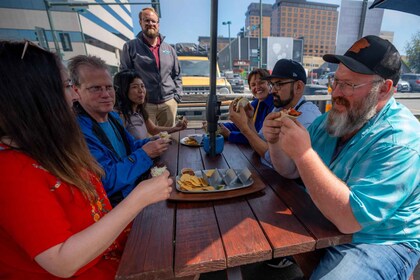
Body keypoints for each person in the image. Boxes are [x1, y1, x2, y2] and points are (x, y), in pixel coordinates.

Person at [0, 40, 172, 279]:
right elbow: (62, 261)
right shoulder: (10, 172)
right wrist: (139, 198)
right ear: (34, 96)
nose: (72, 95)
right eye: (66, 85)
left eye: (109, 87)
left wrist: (151, 146)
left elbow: (127, 151)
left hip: (116, 250)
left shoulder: (57, 143)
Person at [263, 35, 419, 279]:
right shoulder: (334, 118)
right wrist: (275, 143)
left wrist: (304, 154)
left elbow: (350, 220)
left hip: (380, 241)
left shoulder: (400, 140)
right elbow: (289, 170)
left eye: (349, 85)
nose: (335, 92)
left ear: (384, 89)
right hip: (326, 220)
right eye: (335, 81)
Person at [68, 55, 170, 206]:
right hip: (120, 205)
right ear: (76, 91)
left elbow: (130, 147)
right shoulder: (79, 132)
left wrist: (151, 142)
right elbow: (106, 182)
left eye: (109, 87)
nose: (106, 94)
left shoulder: (113, 117)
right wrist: (145, 153)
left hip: (138, 188)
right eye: (96, 88)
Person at [227, 60, 321, 168]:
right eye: (272, 84)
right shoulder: (279, 109)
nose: (272, 91)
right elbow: (260, 142)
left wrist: (244, 129)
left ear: (298, 87)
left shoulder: (307, 116)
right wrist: (249, 120)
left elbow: (280, 164)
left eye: (279, 84)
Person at [120, 7, 182, 127]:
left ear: (158, 24)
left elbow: (177, 75)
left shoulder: (169, 49)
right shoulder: (130, 47)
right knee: (149, 140)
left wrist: (176, 97)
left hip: (168, 103)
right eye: (146, 20)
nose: (150, 24)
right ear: (140, 22)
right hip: (145, 104)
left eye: (153, 21)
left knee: (169, 139)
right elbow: (125, 76)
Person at [113, 69, 188, 140]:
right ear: (123, 90)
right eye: (134, 87)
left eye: (142, 86)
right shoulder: (119, 115)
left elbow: (153, 129)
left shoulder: (139, 110)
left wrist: (175, 128)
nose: (141, 90)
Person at [219, 68, 274, 144]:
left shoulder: (274, 106)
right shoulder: (255, 104)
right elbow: (239, 126)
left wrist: (229, 135)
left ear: (269, 83)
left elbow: (258, 137)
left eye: (261, 83)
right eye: (253, 85)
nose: (257, 87)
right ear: (250, 88)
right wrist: (219, 126)